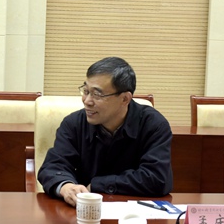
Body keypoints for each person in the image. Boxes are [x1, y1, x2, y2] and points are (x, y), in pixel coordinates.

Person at [38, 56, 173, 207]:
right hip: (83, 211)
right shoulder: (74, 124)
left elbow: (156, 179)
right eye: (86, 91)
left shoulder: (153, 125)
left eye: (97, 94)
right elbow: (52, 167)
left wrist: (98, 185)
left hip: (135, 214)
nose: (87, 101)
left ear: (125, 99)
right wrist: (66, 186)